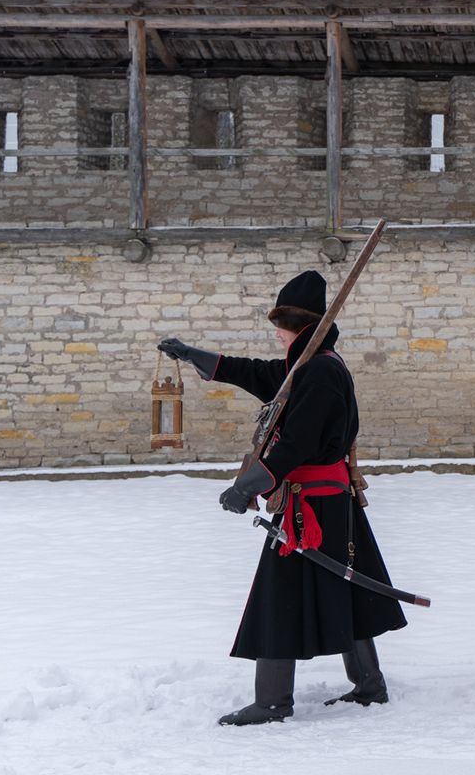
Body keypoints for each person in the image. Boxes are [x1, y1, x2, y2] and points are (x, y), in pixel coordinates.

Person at [158, 270, 407, 726]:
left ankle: (272, 702)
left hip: (309, 503)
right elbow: (257, 373)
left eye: (280, 324)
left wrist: (247, 487)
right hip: (326, 502)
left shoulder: (319, 372)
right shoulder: (310, 366)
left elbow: (297, 445)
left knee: (278, 598)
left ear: (296, 324)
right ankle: (369, 684)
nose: (275, 333)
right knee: (344, 585)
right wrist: (195, 355)